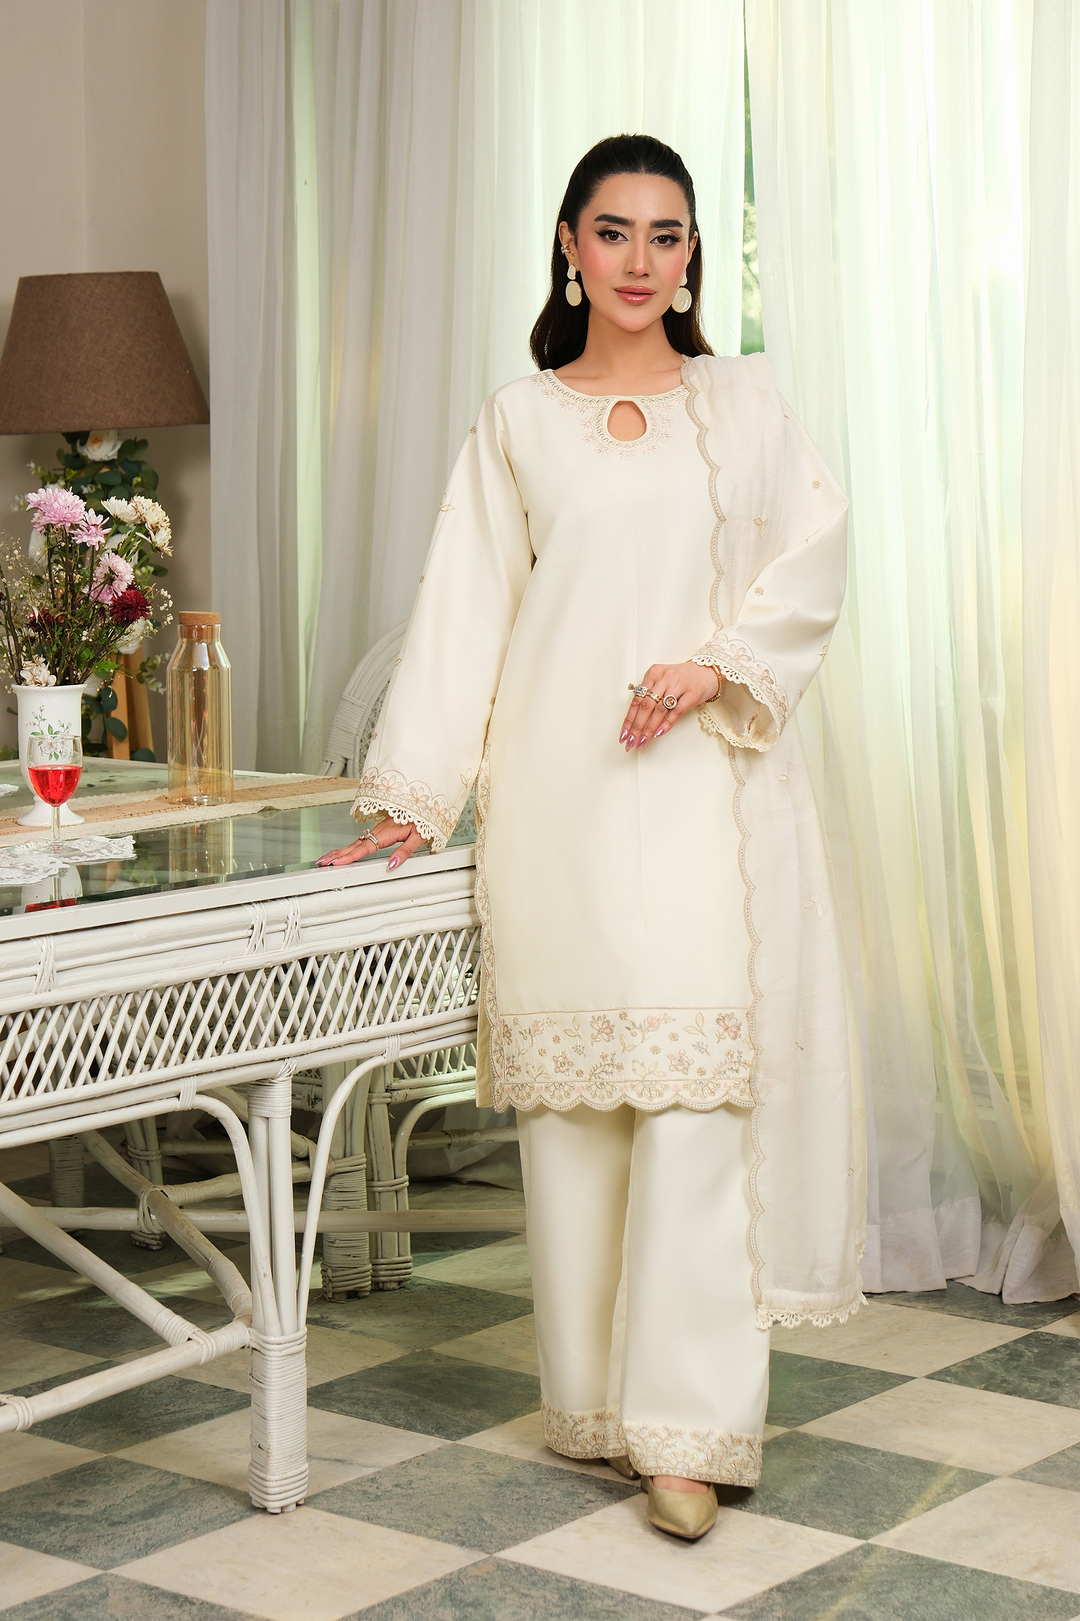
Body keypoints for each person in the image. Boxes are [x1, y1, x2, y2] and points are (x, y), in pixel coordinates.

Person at [320, 134, 864, 1542]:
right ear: (569, 245)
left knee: (696, 1103)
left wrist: (713, 663)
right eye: (613, 231)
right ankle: (598, 1406)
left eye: (667, 235)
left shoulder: (745, 407)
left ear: (691, 257)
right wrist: (409, 801)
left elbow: (815, 555)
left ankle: (689, 1434)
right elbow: (466, 615)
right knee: (579, 1117)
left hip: (702, 792)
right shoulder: (517, 422)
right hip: (556, 799)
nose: (640, 260)